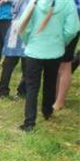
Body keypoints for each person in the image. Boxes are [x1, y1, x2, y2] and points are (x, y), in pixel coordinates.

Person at [18, 0, 80, 132]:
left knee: (32, 87)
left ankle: (29, 122)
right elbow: (72, 29)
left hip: (34, 50)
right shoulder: (68, 3)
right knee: (50, 81)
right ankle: (47, 111)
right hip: (55, 50)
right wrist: (62, 41)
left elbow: (23, 25)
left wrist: (28, 41)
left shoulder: (34, 2)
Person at [0, 0, 31, 99]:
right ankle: (2, 90)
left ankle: (23, 91)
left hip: (28, 30)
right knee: (8, 62)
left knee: (26, 63)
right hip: (15, 30)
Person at [52, 0, 80, 111]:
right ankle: (54, 96)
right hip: (55, 22)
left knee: (64, 63)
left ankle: (59, 101)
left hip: (70, 24)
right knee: (55, 62)